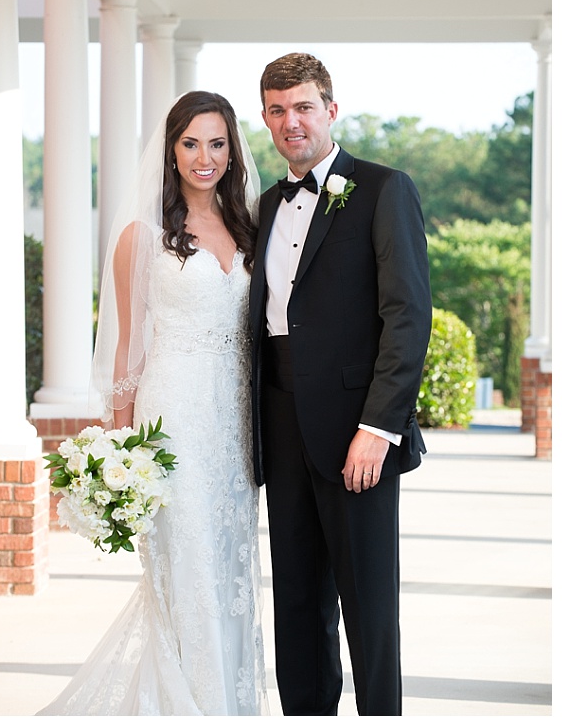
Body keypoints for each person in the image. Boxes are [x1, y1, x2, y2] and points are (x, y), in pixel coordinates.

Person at [41, 91, 267, 715]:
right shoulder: (142, 237)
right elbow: (127, 351)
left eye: (217, 143)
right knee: (187, 574)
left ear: (232, 149)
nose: (205, 157)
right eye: (191, 143)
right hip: (172, 422)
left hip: (235, 431)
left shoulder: (250, 224)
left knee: (228, 571)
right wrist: (122, 449)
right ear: (170, 150)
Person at [249, 53, 431, 715]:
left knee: (369, 606)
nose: (290, 121)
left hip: (359, 430)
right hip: (279, 420)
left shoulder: (384, 188)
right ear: (265, 118)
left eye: (303, 106)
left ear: (330, 109)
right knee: (296, 599)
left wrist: (378, 428)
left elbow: (407, 316)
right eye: (277, 109)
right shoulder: (267, 203)